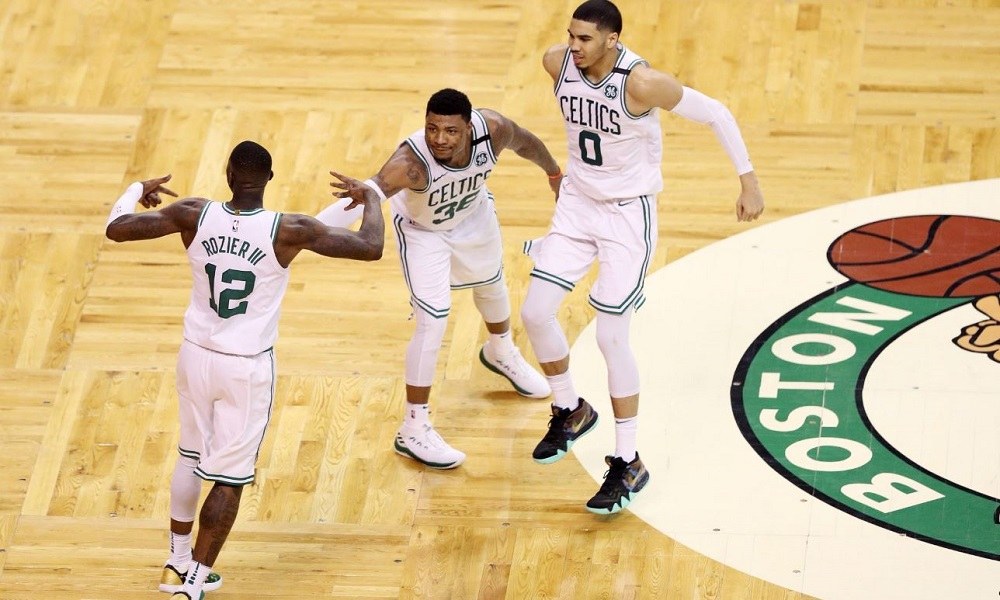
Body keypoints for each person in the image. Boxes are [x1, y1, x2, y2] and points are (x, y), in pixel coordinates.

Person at [105, 140, 384, 600]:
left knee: (190, 456)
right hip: (245, 368)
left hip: (195, 355)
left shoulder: (193, 213)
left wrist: (136, 187)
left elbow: (116, 229)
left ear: (228, 174)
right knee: (229, 477)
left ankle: (177, 560)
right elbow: (371, 247)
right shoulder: (289, 230)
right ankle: (194, 583)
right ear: (269, 179)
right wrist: (370, 198)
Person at [521, 0, 765, 514]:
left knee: (611, 336)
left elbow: (716, 112)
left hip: (626, 216)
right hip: (577, 205)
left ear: (612, 40)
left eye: (585, 39)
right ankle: (570, 408)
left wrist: (748, 179)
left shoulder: (643, 83)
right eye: (571, 35)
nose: (573, 46)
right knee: (535, 313)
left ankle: (629, 460)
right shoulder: (556, 63)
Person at [323, 88, 562, 469]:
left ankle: (500, 351)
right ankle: (413, 428)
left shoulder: (493, 129)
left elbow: (525, 142)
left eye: (450, 131)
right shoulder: (410, 163)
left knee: (492, 283)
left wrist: (553, 172)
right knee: (432, 321)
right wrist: (298, 235)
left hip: (472, 215)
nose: (439, 139)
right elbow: (366, 196)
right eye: (432, 128)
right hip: (424, 232)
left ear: (469, 128)